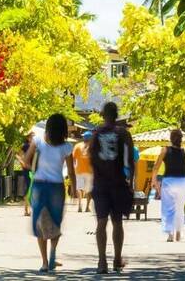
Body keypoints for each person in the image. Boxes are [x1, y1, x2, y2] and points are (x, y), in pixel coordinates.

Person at [24, 114, 76, 272]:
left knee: (40, 224)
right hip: (57, 188)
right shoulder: (67, 147)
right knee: (55, 223)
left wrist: (36, 167)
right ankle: (53, 254)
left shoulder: (38, 141)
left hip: (39, 186)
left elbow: (26, 161)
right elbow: (72, 172)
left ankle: (45, 262)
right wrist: (73, 188)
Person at [89, 102, 135, 274]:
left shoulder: (96, 134)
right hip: (117, 182)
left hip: (101, 183)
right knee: (117, 221)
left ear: (102, 115)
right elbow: (130, 160)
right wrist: (131, 183)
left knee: (101, 221)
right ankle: (117, 259)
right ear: (117, 115)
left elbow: (91, 158)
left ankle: (102, 262)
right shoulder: (123, 133)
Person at [151, 130, 185, 242]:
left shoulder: (165, 150)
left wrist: (154, 181)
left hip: (169, 182)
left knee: (168, 208)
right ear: (181, 138)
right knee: (180, 208)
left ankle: (170, 234)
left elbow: (155, 167)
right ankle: (178, 233)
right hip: (183, 182)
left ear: (171, 138)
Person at [73, 131, 94, 212]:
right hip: (90, 172)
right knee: (89, 190)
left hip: (79, 171)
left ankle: (79, 205)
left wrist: (75, 168)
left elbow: (73, 159)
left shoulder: (77, 146)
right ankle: (87, 207)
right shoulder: (93, 147)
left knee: (79, 188)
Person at [16, 132, 34, 216]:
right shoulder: (26, 146)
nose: (33, 138)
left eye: (33, 136)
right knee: (28, 190)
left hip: (34, 170)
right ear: (28, 137)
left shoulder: (35, 146)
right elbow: (18, 155)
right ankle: (26, 210)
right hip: (27, 170)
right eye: (31, 136)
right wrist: (23, 163)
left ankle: (29, 209)